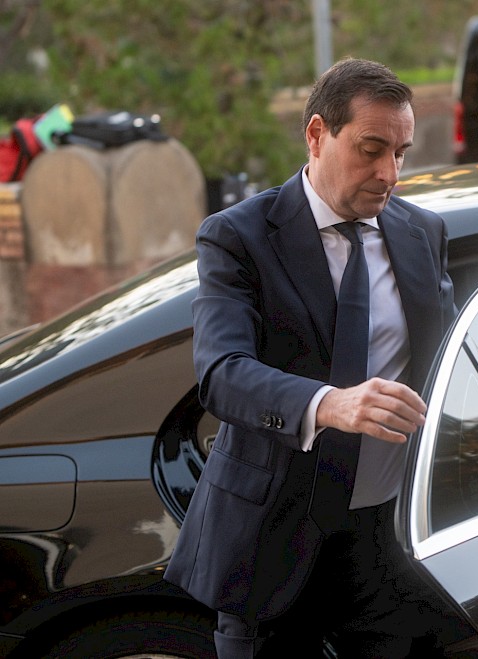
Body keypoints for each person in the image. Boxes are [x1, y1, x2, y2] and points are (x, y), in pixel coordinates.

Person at [164, 58, 458, 657]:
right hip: (271, 541)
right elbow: (221, 373)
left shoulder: (422, 233)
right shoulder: (237, 236)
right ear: (317, 134)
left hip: (390, 545)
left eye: (401, 153)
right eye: (371, 150)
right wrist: (330, 404)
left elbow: (449, 360)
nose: (390, 173)